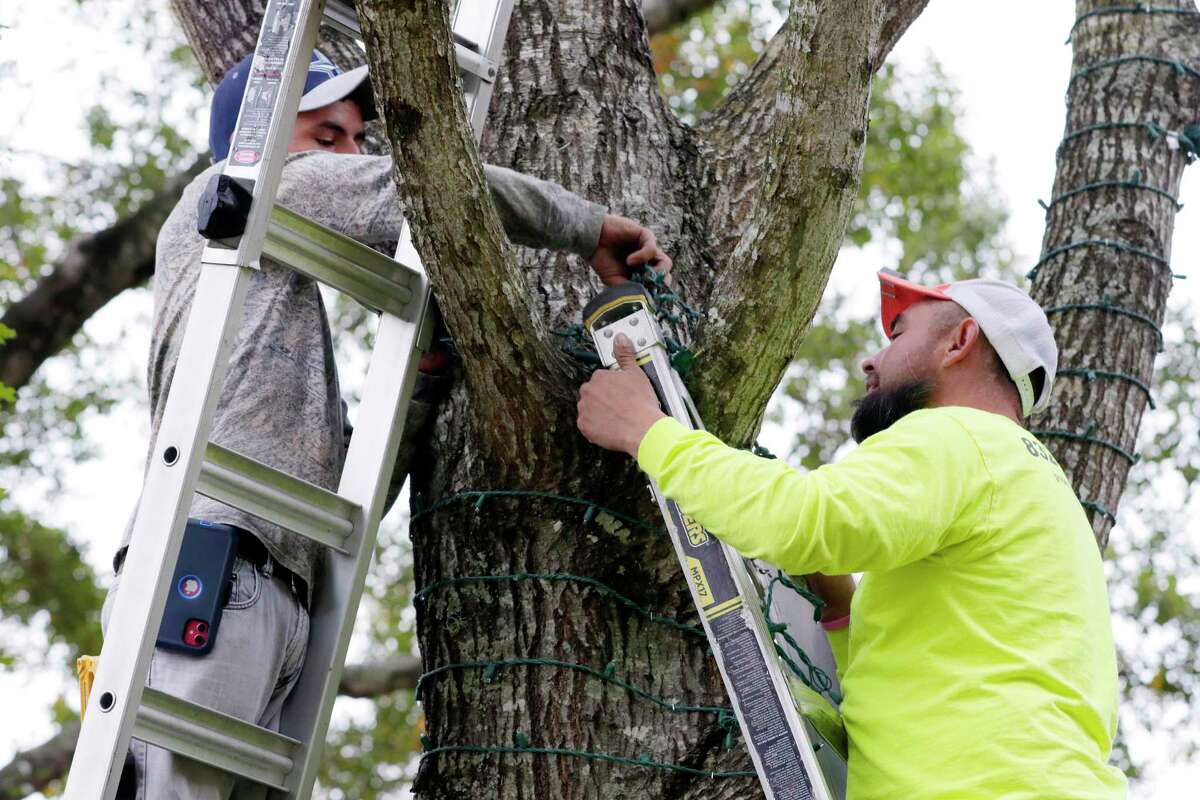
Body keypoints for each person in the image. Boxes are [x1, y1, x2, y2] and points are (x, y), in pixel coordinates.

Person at [102, 50, 671, 798]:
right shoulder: (241, 184)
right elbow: (432, 193)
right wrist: (592, 227)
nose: (352, 154)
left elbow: (343, 488)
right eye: (328, 135)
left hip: (268, 589)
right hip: (211, 569)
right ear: (263, 138)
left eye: (358, 138)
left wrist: (421, 392)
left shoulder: (279, 335)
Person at [575, 270, 1127, 799]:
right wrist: (842, 613)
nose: (872, 359)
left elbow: (799, 521)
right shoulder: (1032, 481)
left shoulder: (958, 434)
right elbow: (942, 663)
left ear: (959, 341)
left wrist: (645, 430)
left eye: (900, 333)